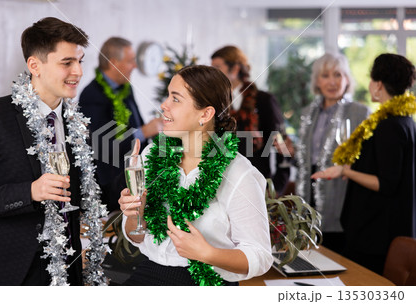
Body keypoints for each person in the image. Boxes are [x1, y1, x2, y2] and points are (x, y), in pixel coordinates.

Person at [118, 65, 273, 285]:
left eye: (176, 99)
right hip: (149, 272)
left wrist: (207, 253)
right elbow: (136, 237)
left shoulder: (239, 173)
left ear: (206, 114)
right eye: (167, 96)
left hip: (208, 282)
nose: (164, 105)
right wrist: (135, 213)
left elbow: (260, 256)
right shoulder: (152, 154)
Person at [0, 17, 89, 285]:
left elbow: (88, 189)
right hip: (6, 272)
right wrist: (30, 192)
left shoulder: (77, 123)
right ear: (35, 65)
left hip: (68, 269)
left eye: (80, 61)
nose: (78, 72)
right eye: (67, 63)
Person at [312, 53, 416, 274]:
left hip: (377, 234)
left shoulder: (390, 126)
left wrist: (345, 171)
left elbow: (385, 183)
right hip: (385, 228)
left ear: (378, 85)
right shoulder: (404, 121)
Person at [295, 53, 370, 254]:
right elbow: (304, 155)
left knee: (337, 252)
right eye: (325, 75)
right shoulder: (307, 112)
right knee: (309, 251)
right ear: (317, 81)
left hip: (342, 189)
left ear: (347, 79)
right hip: (308, 188)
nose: (332, 81)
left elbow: (369, 156)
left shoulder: (360, 112)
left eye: (338, 75)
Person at [79, 37, 162, 211]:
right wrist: (145, 132)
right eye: (130, 61)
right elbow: (102, 145)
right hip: (111, 182)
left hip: (134, 173)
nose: (135, 66)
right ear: (114, 62)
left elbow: (136, 124)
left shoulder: (126, 88)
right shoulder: (92, 94)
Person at [211, 46, 290, 194]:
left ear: (234, 69)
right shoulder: (214, 103)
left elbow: (282, 146)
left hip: (257, 186)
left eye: (217, 67)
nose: (212, 74)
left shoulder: (264, 100)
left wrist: (276, 188)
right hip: (221, 187)